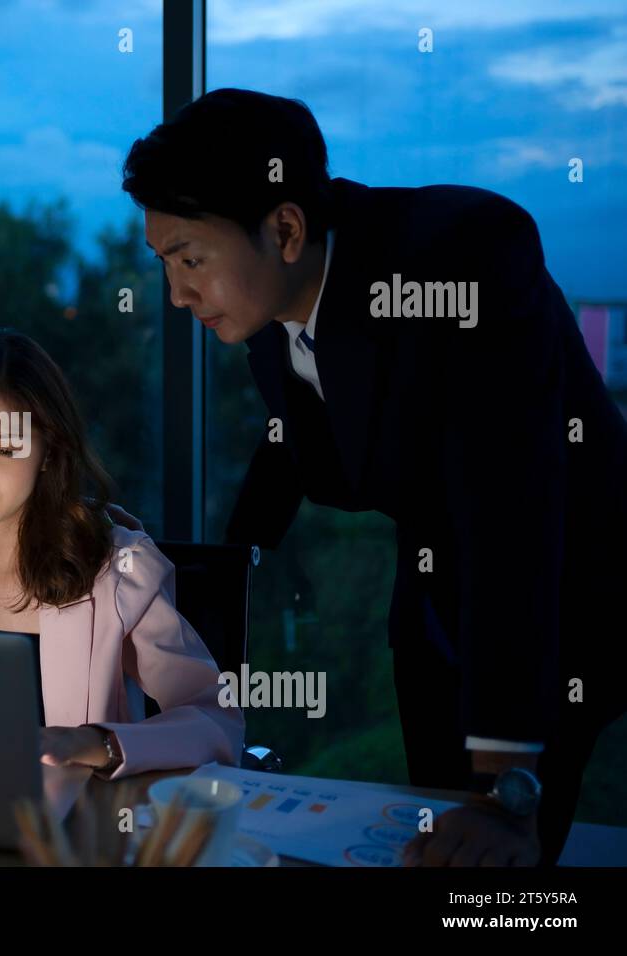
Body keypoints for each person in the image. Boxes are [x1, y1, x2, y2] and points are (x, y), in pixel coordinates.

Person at [122, 87, 627, 863]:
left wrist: (505, 790)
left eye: (189, 258)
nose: (177, 292)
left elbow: (511, 519)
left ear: (285, 228)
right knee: (434, 845)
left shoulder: (466, 257)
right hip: (433, 598)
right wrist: (191, 580)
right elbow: (292, 439)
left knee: (504, 864)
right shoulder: (271, 300)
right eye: (163, 263)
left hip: (561, 603)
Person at [0, 331, 243, 778]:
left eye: (4, 448)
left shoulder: (118, 568)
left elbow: (219, 719)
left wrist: (100, 744)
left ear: (47, 452)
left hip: (75, 827)